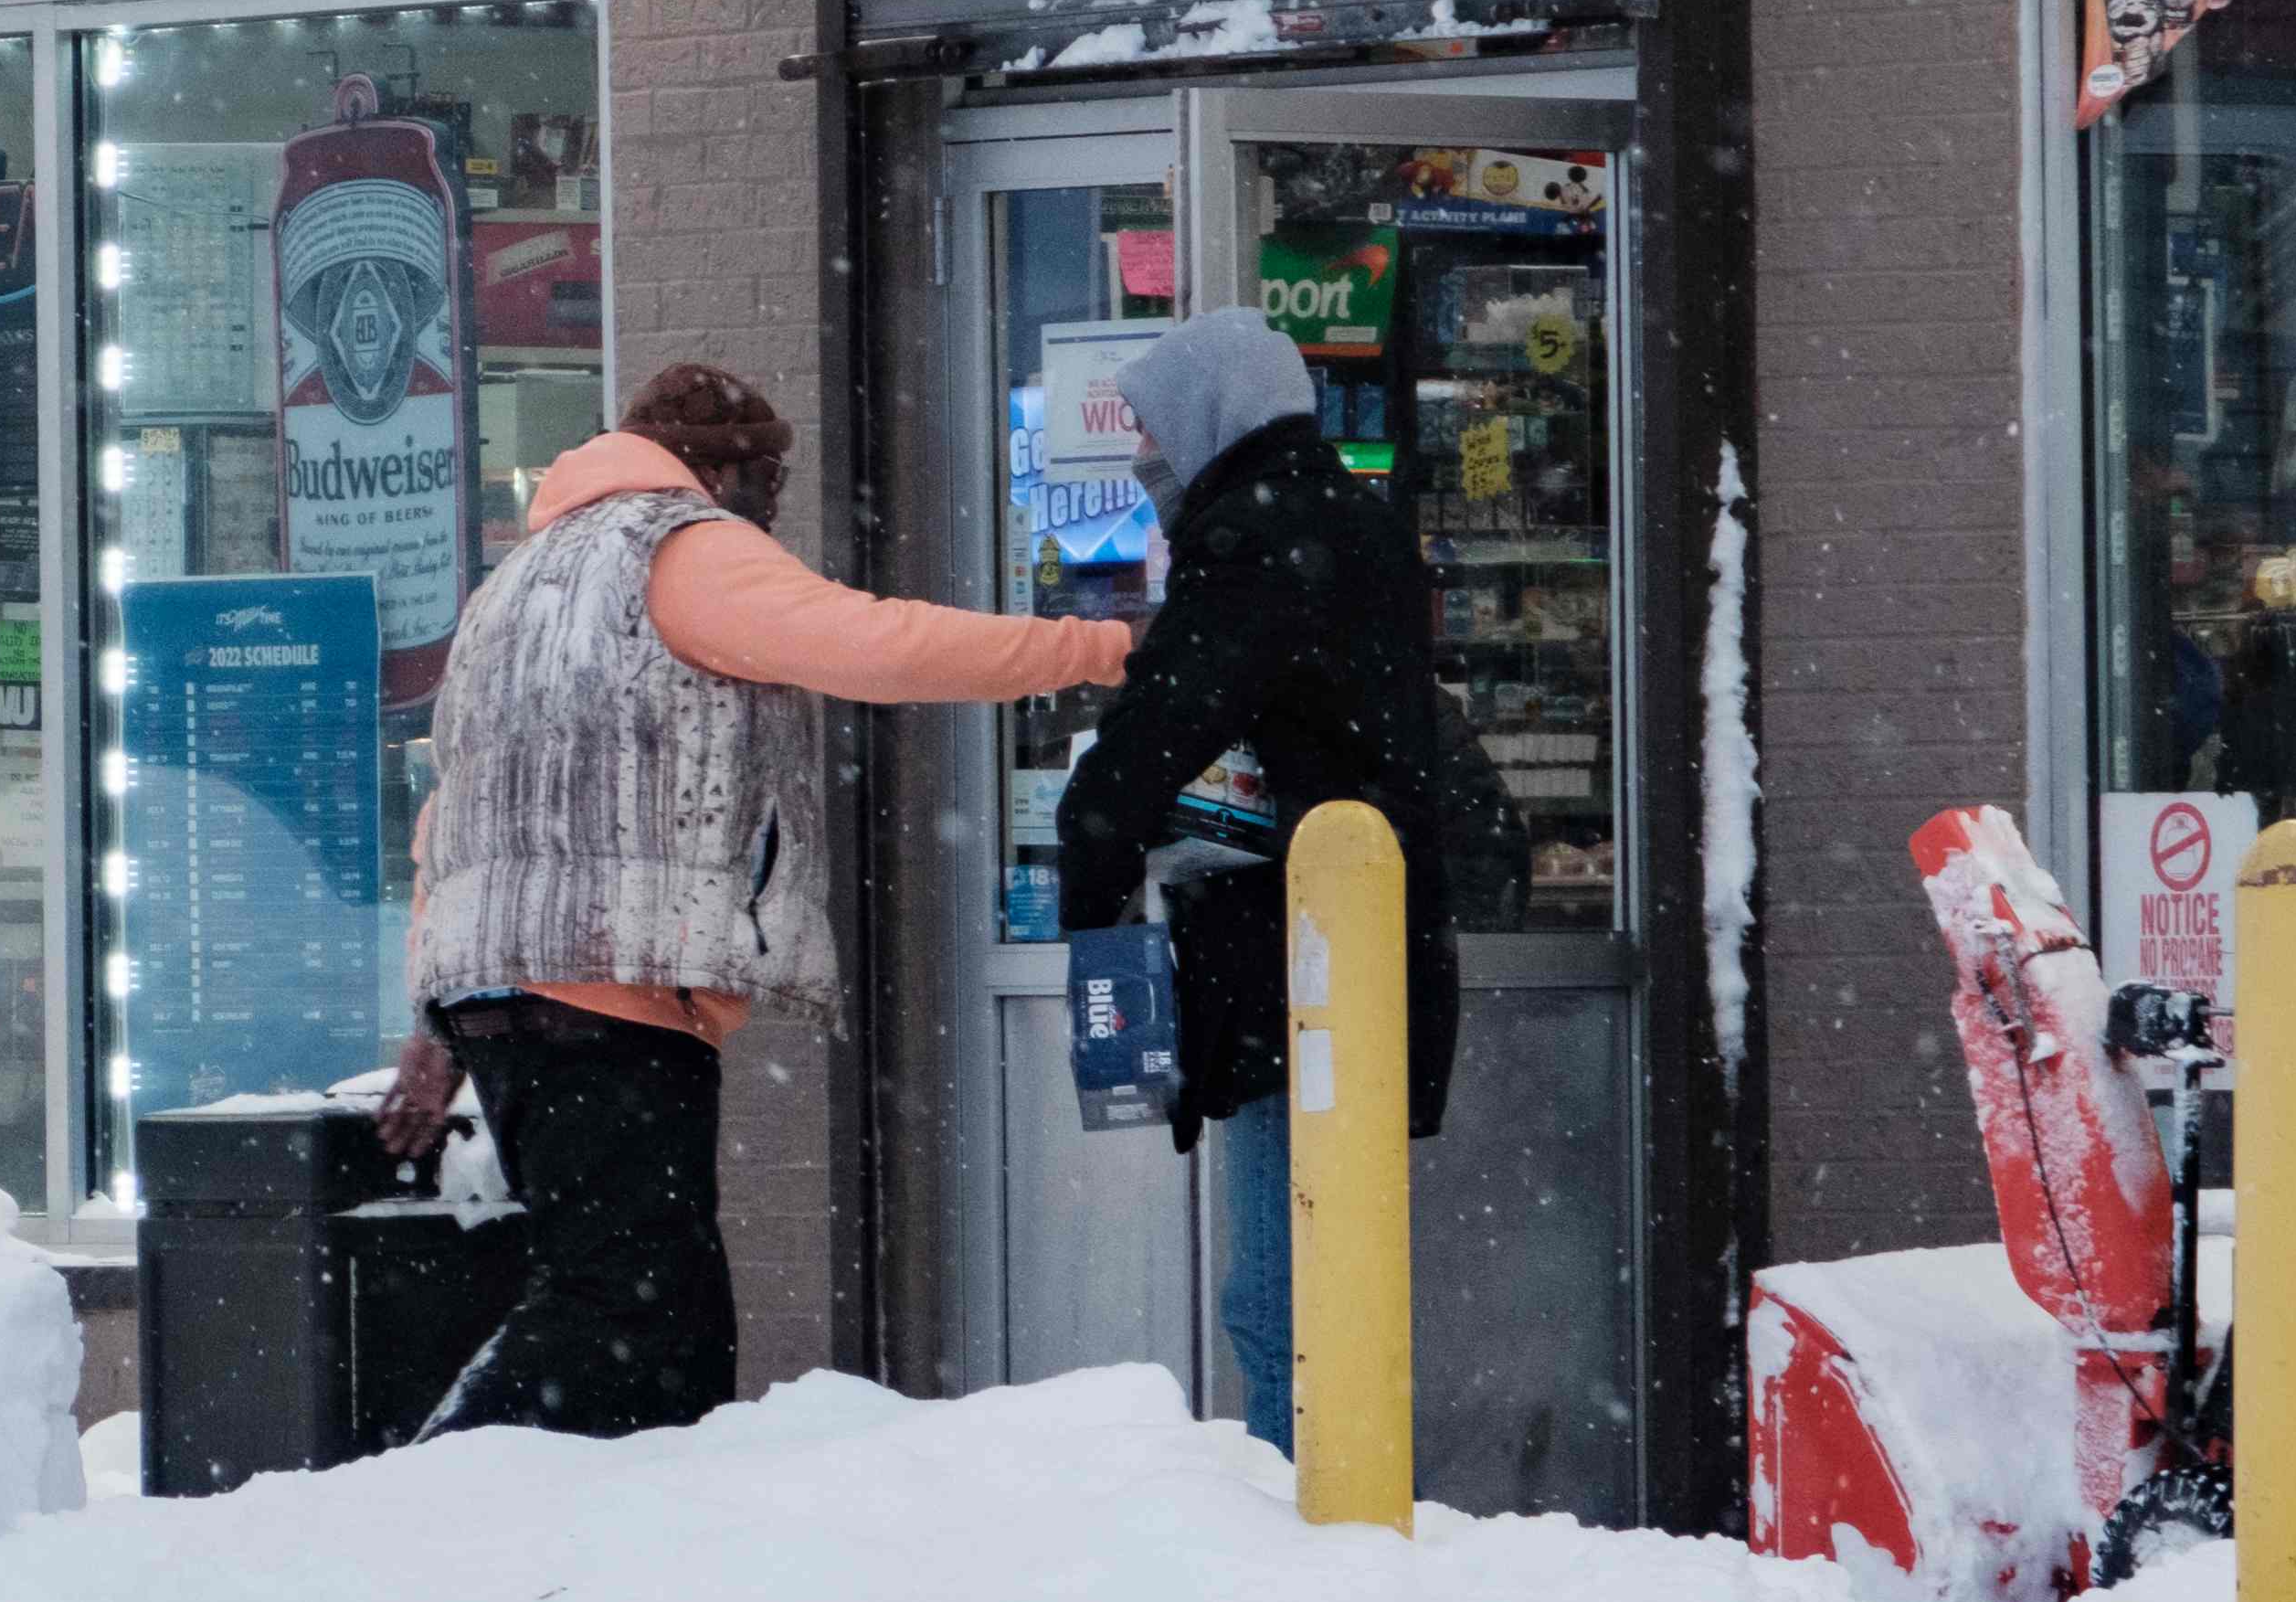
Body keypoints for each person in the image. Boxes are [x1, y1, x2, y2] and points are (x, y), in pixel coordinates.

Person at [386, 363, 1129, 1438]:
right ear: (708, 466)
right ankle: (433, 1500)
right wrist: (1101, 648)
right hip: (604, 984)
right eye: (764, 471)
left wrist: (433, 1021)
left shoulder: (522, 579)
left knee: (651, 1306)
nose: (776, 496)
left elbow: (453, 812)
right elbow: (877, 644)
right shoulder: (682, 549)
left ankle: (605, 1535)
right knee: (625, 1309)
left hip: (507, 988)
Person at [1051, 308, 1518, 1450]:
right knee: (1319, 1278)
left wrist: (1089, 866)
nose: (1145, 467)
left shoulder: (1259, 545)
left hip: (1300, 963)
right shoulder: (1343, 526)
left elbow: (1161, 727)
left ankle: (1299, 1545)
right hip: (1352, 948)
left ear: (1207, 426)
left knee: (1278, 1299)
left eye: (1154, 441)